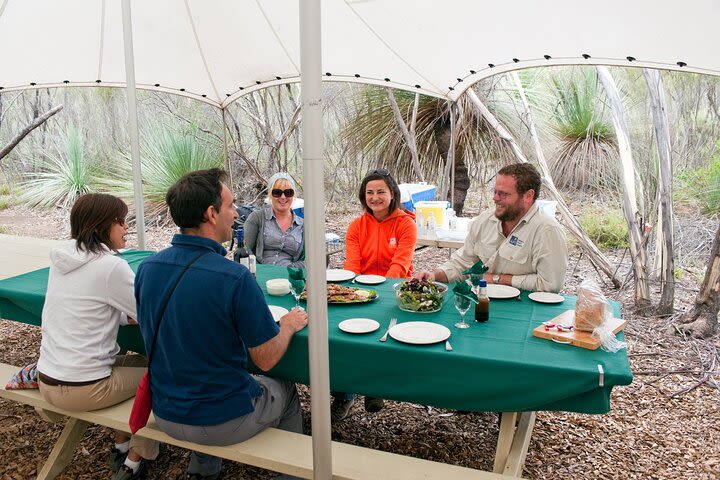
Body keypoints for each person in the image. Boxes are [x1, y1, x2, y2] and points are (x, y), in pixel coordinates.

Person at [134, 168, 308, 480]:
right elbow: (266, 359)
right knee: (286, 388)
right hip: (222, 421)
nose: (235, 213)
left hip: (165, 411)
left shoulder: (147, 269)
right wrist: (288, 326)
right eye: (230, 206)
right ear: (211, 214)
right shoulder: (234, 277)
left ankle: (203, 470)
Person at [36, 193, 160, 480]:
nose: (126, 227)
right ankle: (133, 462)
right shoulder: (110, 265)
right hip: (84, 388)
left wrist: (121, 313)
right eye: (121, 221)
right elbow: (150, 314)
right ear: (102, 225)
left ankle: (121, 443)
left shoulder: (62, 257)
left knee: (135, 363)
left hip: (48, 379)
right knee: (162, 380)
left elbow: (87, 306)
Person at [333, 168, 417, 421]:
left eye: (380, 191)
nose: (375, 197)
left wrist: (378, 295)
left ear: (392, 194)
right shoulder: (357, 226)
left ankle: (374, 387)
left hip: (393, 291)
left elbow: (400, 266)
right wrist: (353, 293)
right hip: (359, 290)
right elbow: (351, 265)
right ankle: (344, 396)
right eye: (369, 192)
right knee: (345, 339)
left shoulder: (406, 224)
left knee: (382, 339)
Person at [415, 163, 568, 293]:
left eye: (503, 194)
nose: (495, 198)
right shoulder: (485, 220)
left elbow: (550, 285)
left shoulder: (547, 230)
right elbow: (462, 263)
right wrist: (434, 275)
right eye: (495, 192)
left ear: (528, 196)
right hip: (482, 302)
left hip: (527, 310)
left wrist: (497, 279)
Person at [244, 172, 304, 267]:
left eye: (288, 192)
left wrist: (292, 269)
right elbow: (245, 250)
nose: (283, 197)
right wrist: (257, 270)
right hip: (260, 273)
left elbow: (310, 259)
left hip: (289, 275)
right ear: (270, 194)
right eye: (277, 192)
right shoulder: (257, 218)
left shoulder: (303, 225)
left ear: (294, 195)